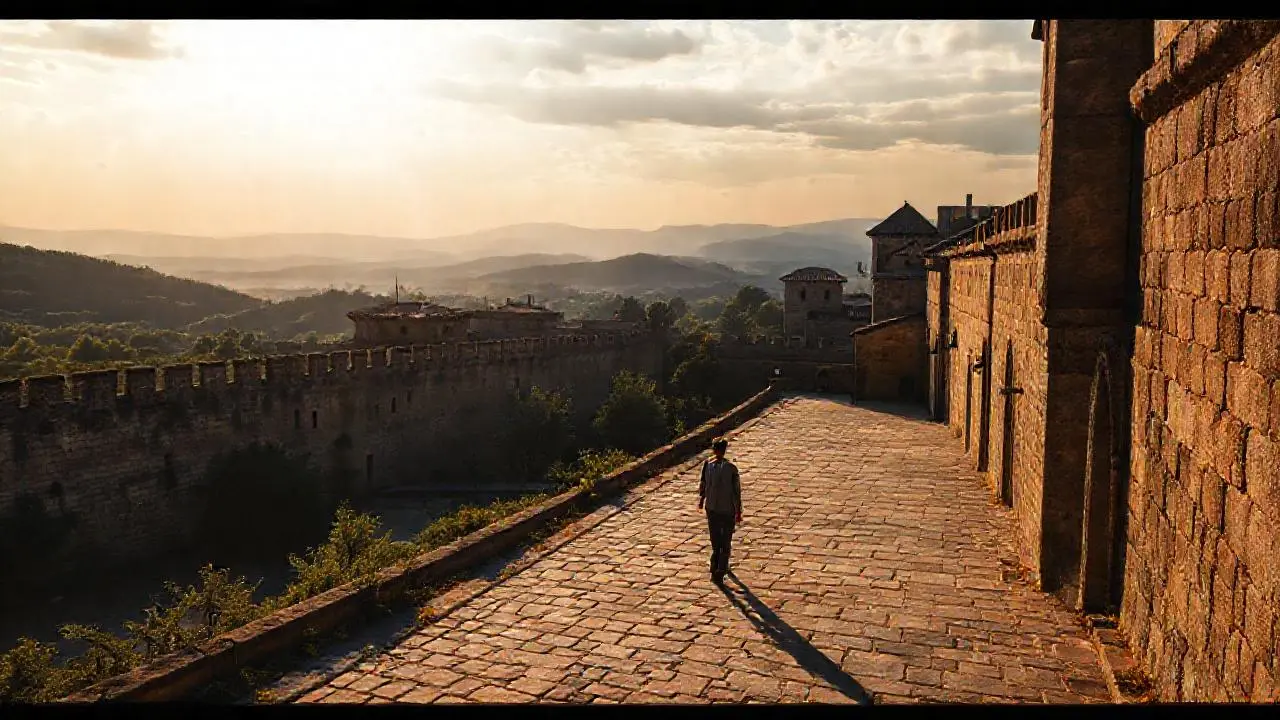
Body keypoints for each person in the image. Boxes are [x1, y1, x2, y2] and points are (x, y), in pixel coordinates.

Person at [697, 437, 743, 584]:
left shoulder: (707, 466)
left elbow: (702, 486)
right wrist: (738, 511)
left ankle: (714, 563)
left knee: (715, 538)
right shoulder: (731, 469)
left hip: (712, 507)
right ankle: (721, 568)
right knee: (726, 540)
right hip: (727, 508)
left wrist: (702, 500)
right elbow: (736, 492)